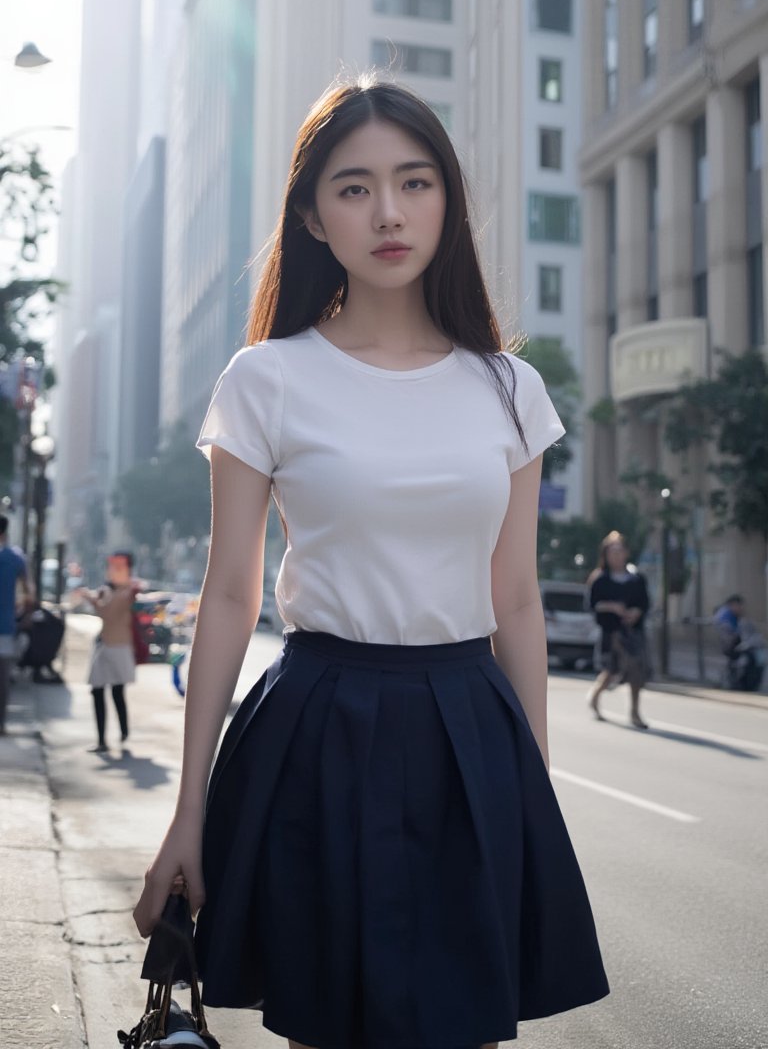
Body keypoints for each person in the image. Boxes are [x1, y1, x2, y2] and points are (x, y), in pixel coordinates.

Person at [133, 79, 609, 1049]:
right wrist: (188, 811)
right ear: (311, 215)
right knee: (333, 1022)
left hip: (468, 728)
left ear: (448, 200)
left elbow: (515, 601)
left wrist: (530, 787)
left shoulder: (511, 389)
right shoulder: (266, 379)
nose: (389, 213)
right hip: (318, 724)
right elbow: (228, 596)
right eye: (353, 188)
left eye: (415, 182)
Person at [79, 551, 142, 752]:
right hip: (106, 645)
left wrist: (92, 599)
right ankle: (102, 740)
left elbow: (109, 612)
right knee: (98, 690)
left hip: (119, 647)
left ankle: (122, 731)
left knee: (117, 691)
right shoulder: (109, 589)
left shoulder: (129, 591)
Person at [588, 530, 651, 729]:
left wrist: (636, 612)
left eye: (620, 550)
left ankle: (634, 711)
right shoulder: (600, 579)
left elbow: (645, 602)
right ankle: (595, 697)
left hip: (632, 632)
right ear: (606, 554)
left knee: (635, 671)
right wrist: (611, 607)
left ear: (626, 553)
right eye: (612, 551)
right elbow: (592, 604)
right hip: (610, 632)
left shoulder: (636, 579)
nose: (616, 555)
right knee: (610, 671)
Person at [0, 513, 33, 735]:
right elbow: (29, 595)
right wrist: (22, 614)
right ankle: (0, 724)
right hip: (6, 628)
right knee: (3, 681)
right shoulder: (15, 559)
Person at [714, 594, 765, 691]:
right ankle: (743, 684)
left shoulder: (735, 617)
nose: (741, 608)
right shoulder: (725, 617)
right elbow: (730, 637)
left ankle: (750, 683)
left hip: (739, 647)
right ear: (732, 605)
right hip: (731, 649)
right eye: (739, 605)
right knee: (750, 658)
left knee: (759, 656)